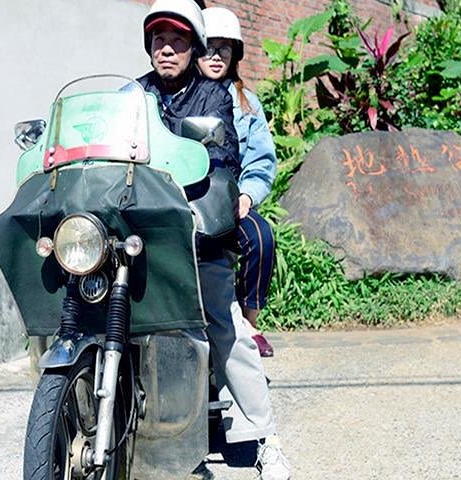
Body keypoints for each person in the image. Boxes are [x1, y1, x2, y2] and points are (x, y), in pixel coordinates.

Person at [137, 1, 290, 479]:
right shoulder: (132, 94)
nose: (168, 48)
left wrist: (240, 196)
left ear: (194, 47)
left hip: (197, 234)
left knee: (228, 331)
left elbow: (222, 158)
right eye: (160, 39)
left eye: (179, 40)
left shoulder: (214, 98)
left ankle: (265, 438)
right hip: (141, 235)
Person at [198, 7, 278, 358]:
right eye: (209, 47)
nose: (216, 56)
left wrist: (247, 194)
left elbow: (261, 160)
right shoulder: (182, 94)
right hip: (184, 197)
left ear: (235, 55)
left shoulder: (247, 102)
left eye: (224, 49)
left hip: (227, 201)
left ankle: (249, 321)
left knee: (260, 237)